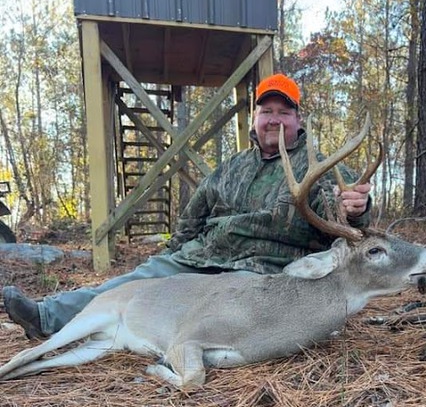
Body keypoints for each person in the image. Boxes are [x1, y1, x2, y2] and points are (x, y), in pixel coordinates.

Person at [2, 74, 372, 340]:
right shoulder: (233, 166)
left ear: (297, 119)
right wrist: (169, 258)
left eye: (284, 112)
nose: (274, 119)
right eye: (266, 111)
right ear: (256, 118)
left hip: (262, 274)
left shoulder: (323, 167)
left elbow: (345, 216)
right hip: (202, 257)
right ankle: (47, 316)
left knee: (216, 324)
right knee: (135, 282)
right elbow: (193, 217)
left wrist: (357, 209)